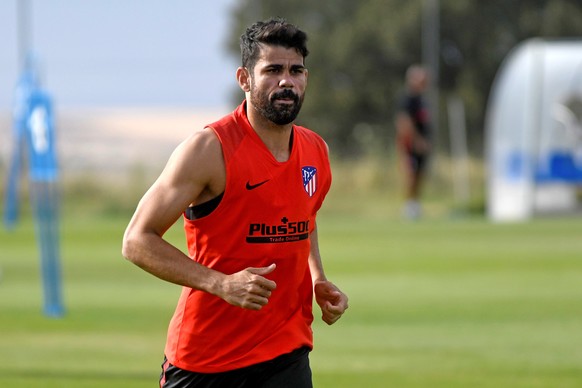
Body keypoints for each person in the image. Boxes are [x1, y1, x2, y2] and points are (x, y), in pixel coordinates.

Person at [122, 17, 348, 388]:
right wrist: (220, 283)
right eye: (272, 70)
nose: (286, 81)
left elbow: (304, 219)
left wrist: (318, 278)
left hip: (286, 353)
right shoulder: (209, 149)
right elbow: (136, 240)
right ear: (244, 79)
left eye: (296, 70)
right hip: (206, 363)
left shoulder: (316, 150)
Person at [395, 64, 432, 220]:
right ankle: (409, 206)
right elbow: (404, 122)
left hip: (421, 144)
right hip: (411, 144)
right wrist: (416, 140)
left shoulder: (422, 99)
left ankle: (415, 204)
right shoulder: (408, 99)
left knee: (419, 174)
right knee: (411, 174)